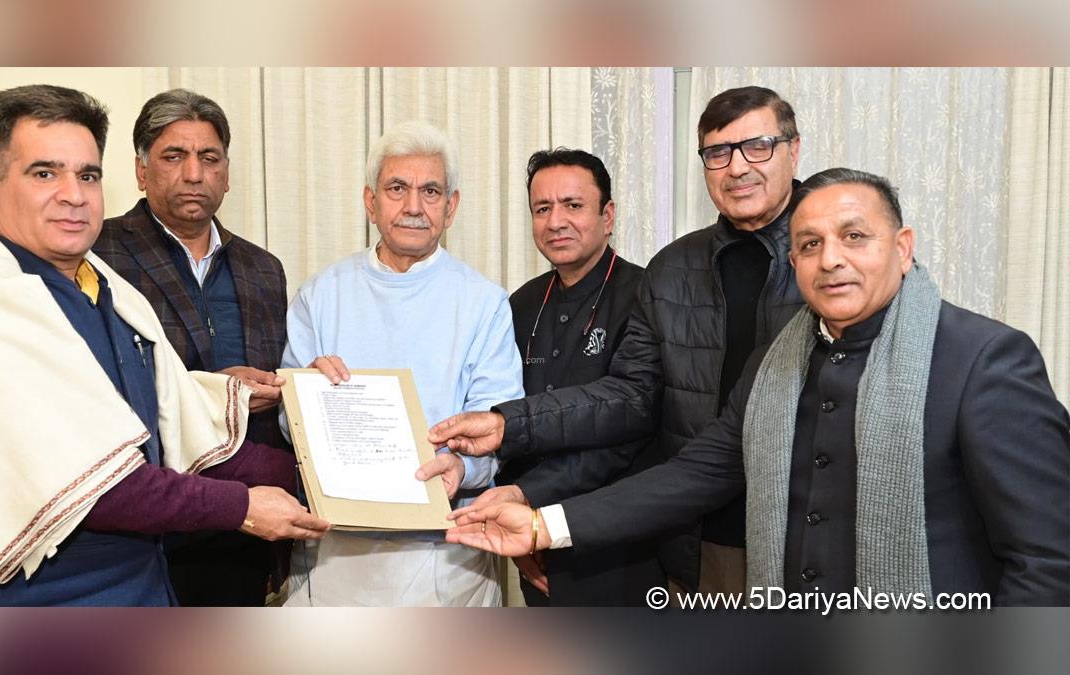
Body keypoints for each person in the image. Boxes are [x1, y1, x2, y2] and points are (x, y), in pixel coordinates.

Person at [446, 168, 1070, 606]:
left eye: (855, 237)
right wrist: (542, 524)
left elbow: (1046, 562)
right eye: (809, 244)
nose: (831, 259)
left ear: (903, 248)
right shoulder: (778, 363)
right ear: (793, 264)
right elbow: (694, 475)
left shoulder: (984, 360)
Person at [0, 84, 329, 606]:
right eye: (45, 173)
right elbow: (105, 489)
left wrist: (327, 472)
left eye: (87, 175)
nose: (73, 193)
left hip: (138, 588)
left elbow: (179, 428)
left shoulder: (109, 293)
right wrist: (242, 506)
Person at [429, 86, 807, 594]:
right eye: (718, 152)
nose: (737, 166)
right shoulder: (673, 270)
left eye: (756, 146)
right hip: (688, 534)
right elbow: (632, 397)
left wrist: (527, 486)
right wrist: (514, 463)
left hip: (798, 527)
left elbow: (631, 431)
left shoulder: (826, 263)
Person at [281, 120, 524, 606]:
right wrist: (310, 401)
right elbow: (288, 419)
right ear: (370, 201)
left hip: (448, 554)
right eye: (397, 188)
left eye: (430, 191)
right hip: (337, 555)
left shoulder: (483, 302)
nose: (413, 206)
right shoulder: (320, 295)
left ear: (451, 207)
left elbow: (502, 420)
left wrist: (461, 465)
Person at [93, 88, 296, 606]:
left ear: (226, 172)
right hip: (140, 526)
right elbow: (97, 391)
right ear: (141, 170)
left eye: (209, 158)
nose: (193, 174)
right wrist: (215, 391)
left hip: (245, 525)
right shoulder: (98, 254)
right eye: (173, 157)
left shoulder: (262, 269)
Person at [482, 148, 661, 606]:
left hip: (618, 541)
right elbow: (504, 416)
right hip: (530, 539)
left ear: (608, 215)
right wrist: (518, 514)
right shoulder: (519, 305)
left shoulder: (647, 294)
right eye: (542, 209)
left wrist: (526, 499)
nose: (556, 221)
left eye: (573, 205)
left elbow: (634, 428)